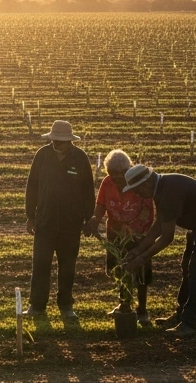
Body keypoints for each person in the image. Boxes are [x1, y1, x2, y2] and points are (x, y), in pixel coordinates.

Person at [120, 164, 196, 337]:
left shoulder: (168, 192)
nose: (136, 194)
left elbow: (166, 238)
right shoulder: (161, 187)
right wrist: (137, 250)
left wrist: (141, 259)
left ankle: (189, 323)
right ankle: (181, 314)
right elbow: (160, 224)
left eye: (136, 190)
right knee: (187, 267)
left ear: (146, 184)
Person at [24, 120, 96, 320]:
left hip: (70, 224)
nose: (57, 144)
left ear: (69, 141)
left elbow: (88, 190)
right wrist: (30, 216)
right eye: (55, 140)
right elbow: (32, 187)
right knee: (40, 264)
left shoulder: (80, 158)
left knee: (67, 267)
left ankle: (66, 305)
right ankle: (37, 306)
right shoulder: (42, 155)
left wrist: (88, 219)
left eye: (61, 141)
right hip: (45, 221)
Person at [86, 149, 155, 326]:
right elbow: (101, 205)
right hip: (115, 231)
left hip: (139, 232)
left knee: (139, 269)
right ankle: (124, 304)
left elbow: (147, 209)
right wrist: (95, 219)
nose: (116, 177)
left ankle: (142, 309)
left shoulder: (139, 183)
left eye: (120, 173)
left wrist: (133, 229)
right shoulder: (107, 183)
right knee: (120, 268)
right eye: (112, 173)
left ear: (128, 169)